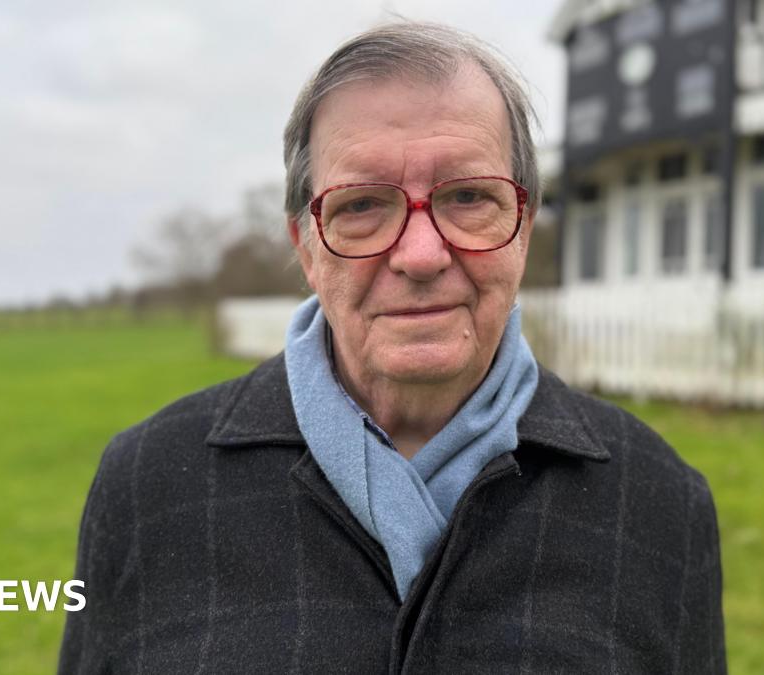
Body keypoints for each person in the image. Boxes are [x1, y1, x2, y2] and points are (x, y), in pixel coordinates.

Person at [59, 21, 725, 674]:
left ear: (521, 226)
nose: (420, 253)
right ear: (305, 246)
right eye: (361, 205)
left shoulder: (659, 501)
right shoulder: (147, 483)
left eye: (467, 196)